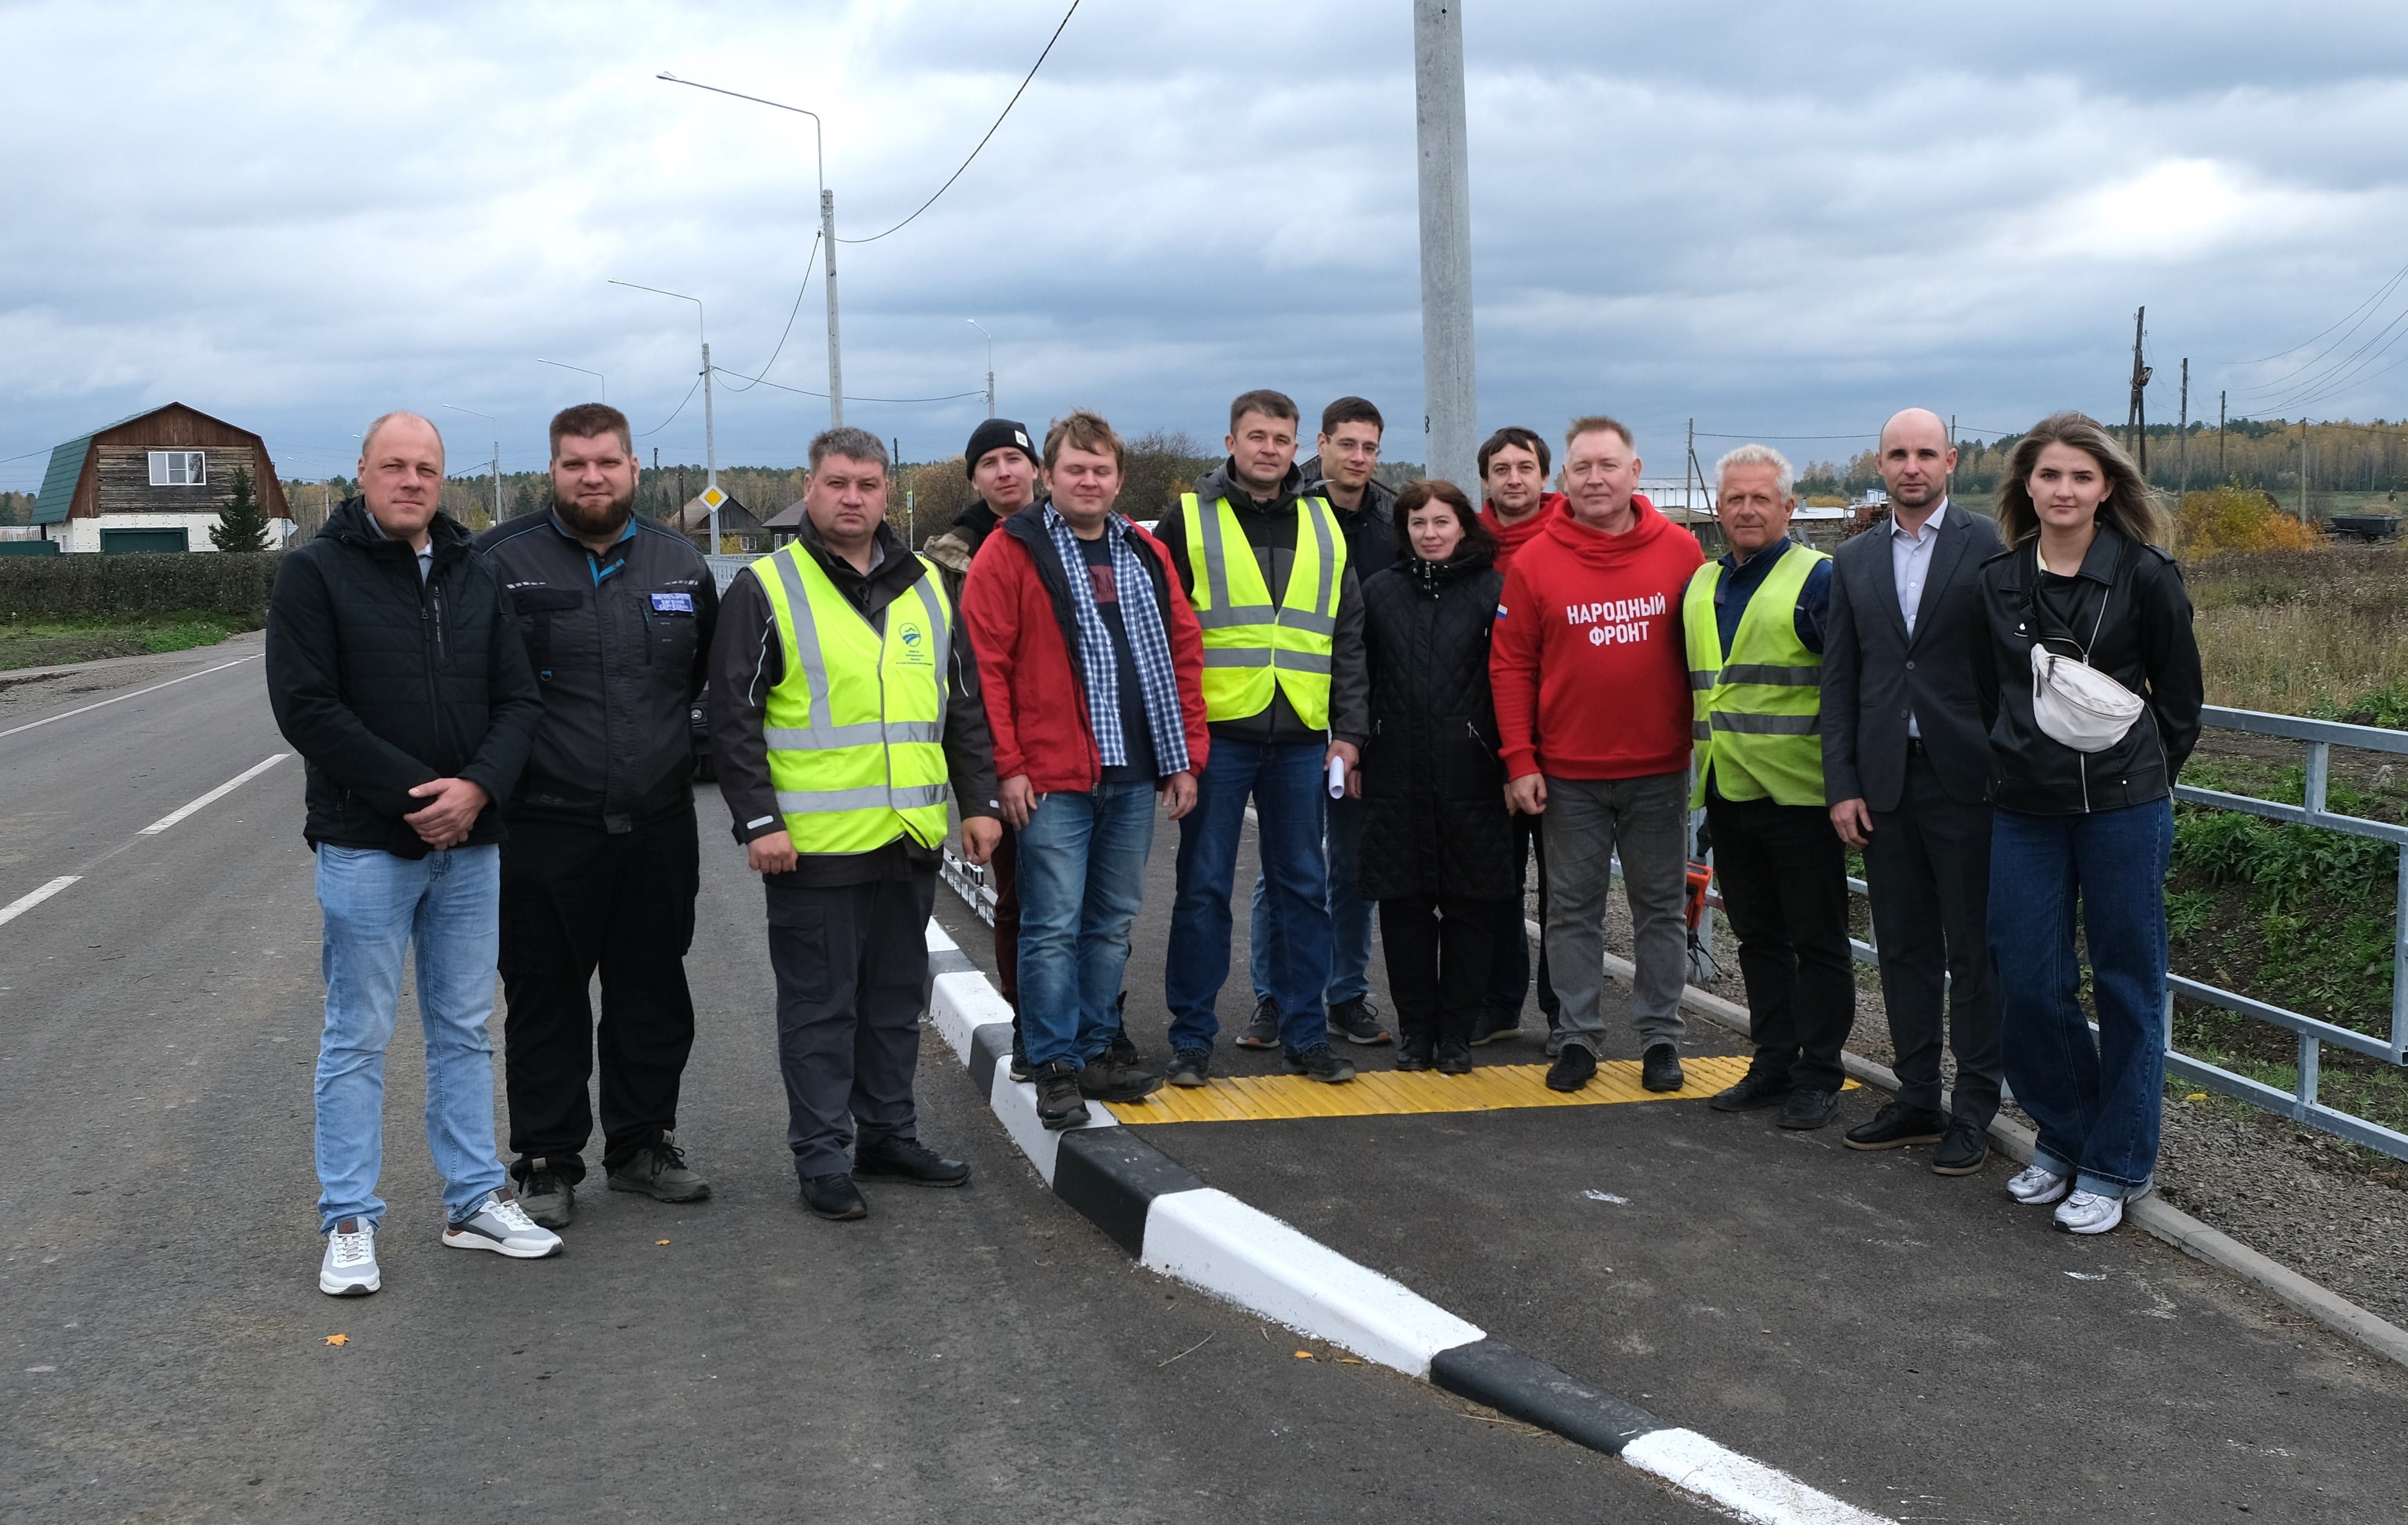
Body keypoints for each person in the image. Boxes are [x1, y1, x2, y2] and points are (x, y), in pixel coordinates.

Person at [265, 411, 556, 1296]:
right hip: (367, 846)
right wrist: (418, 796)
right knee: (357, 1036)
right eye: (393, 465)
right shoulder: (315, 573)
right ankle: (349, 1219)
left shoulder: (476, 572)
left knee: (464, 1030)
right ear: (362, 471)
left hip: (471, 844)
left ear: (441, 477)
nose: (410, 480)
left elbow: (519, 700)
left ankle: (473, 1200)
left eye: (425, 468)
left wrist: (478, 789)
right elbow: (307, 707)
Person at [708, 427, 1003, 1222]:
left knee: (893, 1001)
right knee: (820, 1008)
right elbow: (732, 719)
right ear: (808, 487)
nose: (852, 498)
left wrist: (977, 803)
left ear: (886, 493)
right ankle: (822, 1155)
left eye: (868, 484)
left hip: (908, 840)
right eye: (837, 482)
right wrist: (759, 822)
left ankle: (888, 1135)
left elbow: (961, 705)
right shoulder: (766, 587)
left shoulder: (928, 585)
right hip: (811, 851)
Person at [471, 404, 717, 1230]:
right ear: (552, 470)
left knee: (652, 989)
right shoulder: (498, 563)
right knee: (545, 997)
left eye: (607, 462)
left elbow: (695, 683)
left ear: (633, 468)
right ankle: (547, 1161)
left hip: (656, 824)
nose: (592, 477)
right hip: (544, 827)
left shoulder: (682, 564)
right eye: (575, 464)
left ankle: (643, 1146)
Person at [1976, 412, 2200, 1235]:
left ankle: (2116, 1163)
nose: (2063, 490)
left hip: (2123, 809)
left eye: (2080, 476)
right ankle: (2065, 1136)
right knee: (2028, 978)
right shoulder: (1998, 581)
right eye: (2048, 475)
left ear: (2106, 487)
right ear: (2026, 486)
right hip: (2025, 809)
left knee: (2126, 983)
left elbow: (2180, 700)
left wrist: (2140, 775)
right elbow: (1991, 693)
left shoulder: (2145, 575)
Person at [960, 410, 1209, 1127]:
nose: (1089, 481)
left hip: (1133, 772)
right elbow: (985, 668)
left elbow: (1184, 653)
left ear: (1119, 479)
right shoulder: (1011, 550)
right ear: (1049, 475)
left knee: (1111, 920)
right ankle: (1053, 1062)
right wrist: (1007, 766)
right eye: (1075, 468)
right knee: (1051, 924)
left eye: (1101, 470)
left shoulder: (1143, 550)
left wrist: (1186, 758)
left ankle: (1097, 1046)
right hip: (1050, 778)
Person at [1153, 389, 1370, 1088]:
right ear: (1231, 443)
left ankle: (1307, 1036)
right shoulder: (1188, 518)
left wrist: (1350, 733)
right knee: (1202, 889)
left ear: (1297, 446)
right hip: (1216, 739)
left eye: (1281, 438)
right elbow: (1161, 633)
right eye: (1257, 436)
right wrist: (1173, 743)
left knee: (1303, 889)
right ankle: (1192, 1039)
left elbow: (1347, 638)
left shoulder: (1326, 523)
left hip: (1303, 737)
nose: (1269, 449)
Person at [1491, 417, 1703, 1095]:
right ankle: (1578, 1036)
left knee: (1660, 910)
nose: (1595, 478)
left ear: (1635, 472)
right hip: (1568, 774)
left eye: (1608, 465)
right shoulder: (1535, 561)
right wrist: (1519, 760)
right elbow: (1511, 666)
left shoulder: (1682, 552)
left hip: (1659, 768)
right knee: (1571, 911)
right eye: (1581, 467)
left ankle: (1661, 1037)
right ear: (1564, 479)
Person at [1822, 408, 2005, 1174]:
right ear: (1879, 462)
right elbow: (1840, 679)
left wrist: (2004, 768)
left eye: (1925, 453)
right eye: (1898, 454)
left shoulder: (1986, 545)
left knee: (1973, 951)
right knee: (1901, 947)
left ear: (1950, 461)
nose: (1911, 466)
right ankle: (1918, 1096)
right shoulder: (1853, 559)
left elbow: (2007, 668)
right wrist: (1842, 784)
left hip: (1966, 782)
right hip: (1884, 783)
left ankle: (1974, 1108)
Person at [1680, 446, 1850, 1130]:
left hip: (1803, 796)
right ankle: (1774, 1060)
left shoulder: (1819, 579)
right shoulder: (1702, 583)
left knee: (1818, 941)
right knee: (1758, 938)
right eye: (1735, 499)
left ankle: (1821, 1072)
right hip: (1728, 792)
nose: (1747, 510)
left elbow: (1849, 688)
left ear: (1788, 506)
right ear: (1718, 508)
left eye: (1761, 499)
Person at [1244, 396, 1397, 1048]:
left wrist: (1360, 731)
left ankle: (1346, 995)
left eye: (1369, 447)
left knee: (1353, 870)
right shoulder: (1288, 513)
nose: (1358, 458)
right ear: (1322, 445)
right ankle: (1273, 997)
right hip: (1292, 720)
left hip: (1362, 722)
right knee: (1285, 870)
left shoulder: (1392, 525)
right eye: (1347, 444)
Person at [1357, 480, 1512, 1073]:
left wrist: (1512, 761)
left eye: (1441, 521)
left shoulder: (1494, 591)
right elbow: (1358, 676)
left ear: (1464, 526)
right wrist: (1358, 747)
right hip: (1394, 770)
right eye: (1418, 523)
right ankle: (1415, 1032)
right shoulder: (1379, 591)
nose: (1430, 533)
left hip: (1474, 773)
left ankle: (1456, 1035)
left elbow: (1512, 679)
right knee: (1404, 909)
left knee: (1472, 908)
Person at [924, 418, 1047, 1075]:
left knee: (1091, 901)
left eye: (1015, 458)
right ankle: (1031, 1021)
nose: (1005, 471)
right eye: (990, 462)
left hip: (1074, 744)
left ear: (1037, 469)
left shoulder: (1070, 533)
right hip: (1000, 745)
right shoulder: (948, 561)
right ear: (974, 478)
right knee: (1021, 894)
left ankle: (1094, 1020)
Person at [1472, 426, 1570, 1051]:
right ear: (1485, 479)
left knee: (1563, 889)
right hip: (1486, 745)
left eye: (1525, 467)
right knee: (1494, 883)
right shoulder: (1467, 548)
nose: (1513, 478)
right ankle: (1499, 1003)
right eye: (1502, 469)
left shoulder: (1572, 539)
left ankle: (1565, 1012)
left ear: (1545, 476)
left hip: (1562, 743)